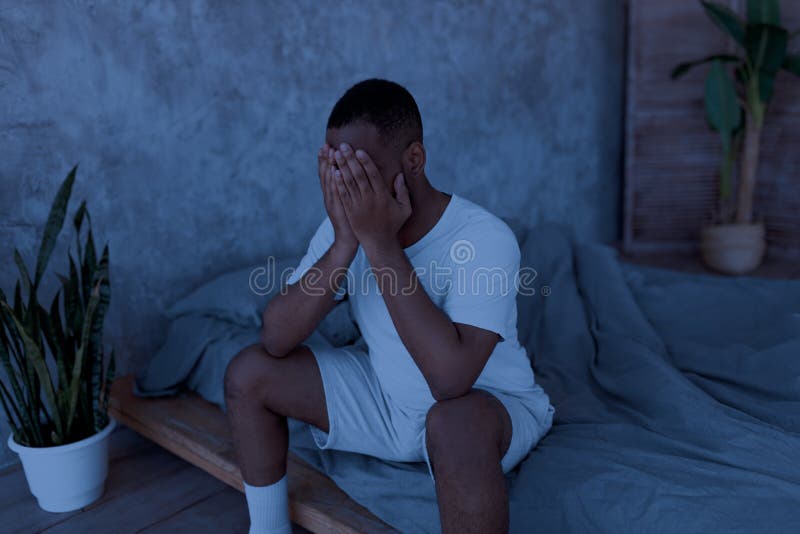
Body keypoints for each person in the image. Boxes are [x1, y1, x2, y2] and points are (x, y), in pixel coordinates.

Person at [224, 78, 554, 534]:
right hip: (388, 402)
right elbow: (276, 337)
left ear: (413, 160)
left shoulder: (483, 237)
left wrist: (379, 244)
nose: (349, 186)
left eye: (362, 171)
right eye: (338, 170)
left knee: (454, 424)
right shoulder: (347, 224)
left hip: (488, 408)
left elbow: (451, 380)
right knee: (249, 372)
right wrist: (344, 244)